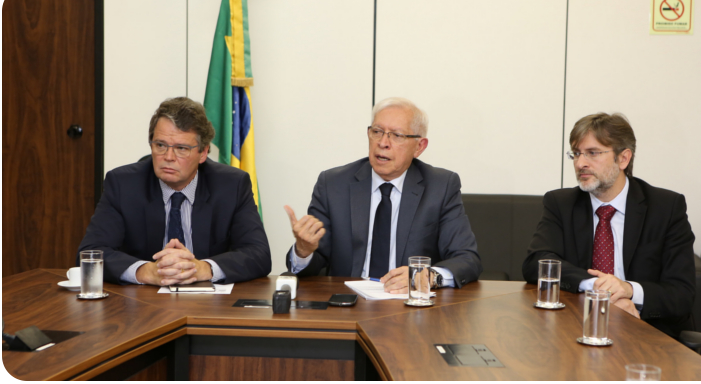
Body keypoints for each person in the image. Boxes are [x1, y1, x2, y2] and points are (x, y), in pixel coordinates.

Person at [522, 112, 695, 338]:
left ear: (623, 159)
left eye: (592, 153)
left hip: (645, 331)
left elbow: (682, 293)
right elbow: (537, 263)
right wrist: (597, 287)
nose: (580, 163)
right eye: (576, 153)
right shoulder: (561, 204)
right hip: (574, 326)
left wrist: (629, 291)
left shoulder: (666, 207)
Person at [284, 97, 482, 292]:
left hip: (410, 305)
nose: (383, 143)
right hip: (348, 302)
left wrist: (426, 276)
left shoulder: (440, 187)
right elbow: (314, 261)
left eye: (397, 135)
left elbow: (467, 259)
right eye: (377, 132)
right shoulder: (334, 185)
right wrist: (303, 251)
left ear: (419, 147)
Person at [78, 97, 271, 286]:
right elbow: (90, 253)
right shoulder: (123, 184)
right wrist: (146, 271)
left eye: (181, 148)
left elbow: (258, 253)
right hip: (142, 306)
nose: (168, 157)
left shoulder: (231, 185)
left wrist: (202, 268)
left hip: (210, 305)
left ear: (203, 153)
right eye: (160, 145)